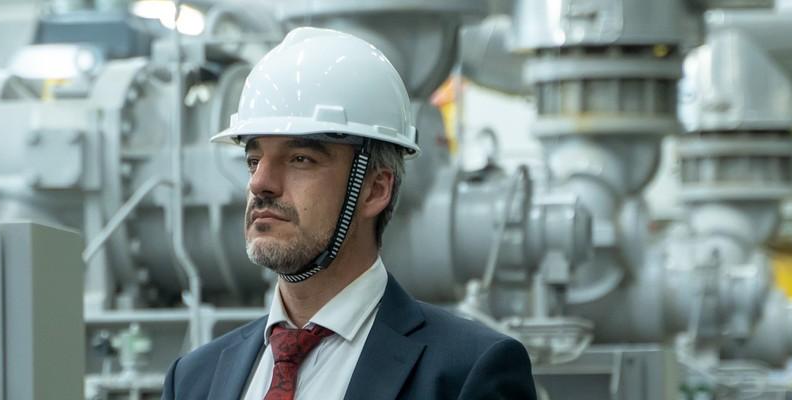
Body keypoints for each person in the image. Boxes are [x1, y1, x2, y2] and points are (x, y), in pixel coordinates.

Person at [161, 28, 538, 400]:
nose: (260, 184)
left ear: (375, 189)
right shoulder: (193, 380)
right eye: (253, 160)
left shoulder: (467, 373)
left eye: (300, 159)